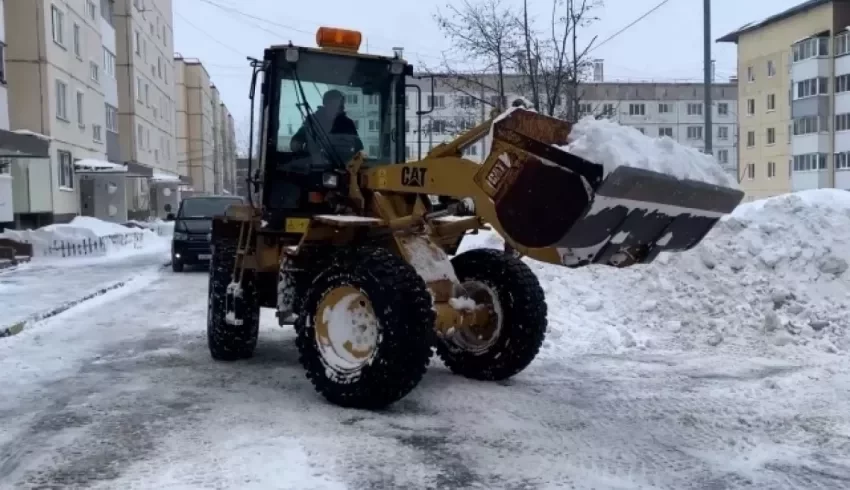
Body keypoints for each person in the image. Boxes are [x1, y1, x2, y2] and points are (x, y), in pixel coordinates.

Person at [289, 89, 364, 154]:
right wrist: (297, 146)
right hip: (315, 166)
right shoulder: (313, 120)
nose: (343, 107)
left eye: (342, 104)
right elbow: (296, 142)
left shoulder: (347, 123)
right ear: (327, 104)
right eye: (339, 104)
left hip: (342, 166)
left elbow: (358, 148)